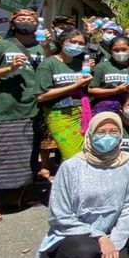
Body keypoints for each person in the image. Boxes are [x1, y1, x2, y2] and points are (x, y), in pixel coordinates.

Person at [35, 112, 129, 258]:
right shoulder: (71, 167)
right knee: (84, 254)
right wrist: (100, 238)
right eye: (101, 132)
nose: (107, 136)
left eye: (113, 132)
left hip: (112, 236)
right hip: (76, 236)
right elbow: (59, 216)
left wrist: (115, 243)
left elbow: (128, 206)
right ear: (90, 134)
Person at [0, 8, 52, 223]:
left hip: (34, 109)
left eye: (31, 19)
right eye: (22, 19)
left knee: (28, 155)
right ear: (12, 24)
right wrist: (7, 69)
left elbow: (50, 69)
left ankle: (20, 195)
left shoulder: (40, 48)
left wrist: (46, 47)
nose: (27, 21)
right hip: (7, 109)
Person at [35, 28, 93, 160]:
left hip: (81, 113)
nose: (76, 45)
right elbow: (40, 96)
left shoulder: (81, 65)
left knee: (84, 153)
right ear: (62, 42)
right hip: (59, 115)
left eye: (81, 43)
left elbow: (85, 89)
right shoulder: (49, 64)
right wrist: (74, 85)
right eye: (72, 41)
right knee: (72, 156)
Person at [88, 36, 129, 114]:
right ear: (111, 51)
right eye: (116, 50)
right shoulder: (101, 67)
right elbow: (91, 91)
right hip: (104, 109)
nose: (120, 52)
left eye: (124, 49)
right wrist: (115, 91)